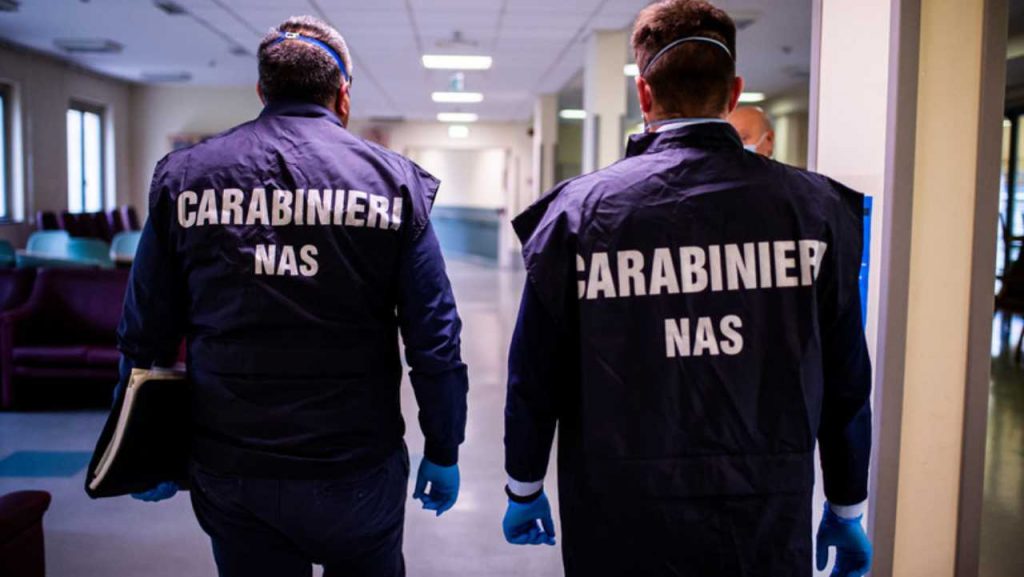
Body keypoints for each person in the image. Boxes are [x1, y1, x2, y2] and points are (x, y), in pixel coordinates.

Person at [501, 1, 873, 576]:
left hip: (619, 511)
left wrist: (524, 485)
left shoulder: (577, 215)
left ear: (643, 94)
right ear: (734, 91)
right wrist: (846, 505)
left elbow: (534, 372)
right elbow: (846, 378)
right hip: (762, 512)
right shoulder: (817, 210)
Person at [118, 15, 468, 577]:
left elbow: (145, 328)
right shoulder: (395, 185)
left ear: (262, 90)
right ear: (343, 95)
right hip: (353, 466)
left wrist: (141, 446)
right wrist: (444, 447)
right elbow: (435, 339)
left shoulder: (185, 178)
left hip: (231, 464)